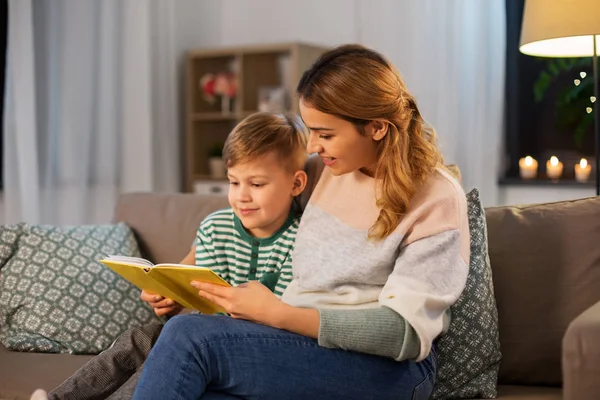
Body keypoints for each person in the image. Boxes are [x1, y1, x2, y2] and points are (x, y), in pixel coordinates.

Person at [131, 44, 470, 400]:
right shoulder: (325, 170)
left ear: (376, 128)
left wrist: (278, 314)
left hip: (389, 370)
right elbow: (246, 212)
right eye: (310, 131)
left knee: (188, 337)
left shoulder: (437, 198)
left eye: (325, 134)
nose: (312, 146)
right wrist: (178, 284)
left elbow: (404, 333)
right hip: (298, 345)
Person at [31, 112, 309, 400]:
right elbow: (181, 273)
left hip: (250, 348)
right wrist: (166, 295)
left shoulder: (303, 238)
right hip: (200, 337)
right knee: (139, 338)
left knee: (163, 357)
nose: (242, 196)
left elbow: (288, 316)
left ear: (296, 184)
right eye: (234, 182)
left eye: (257, 184)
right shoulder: (217, 226)